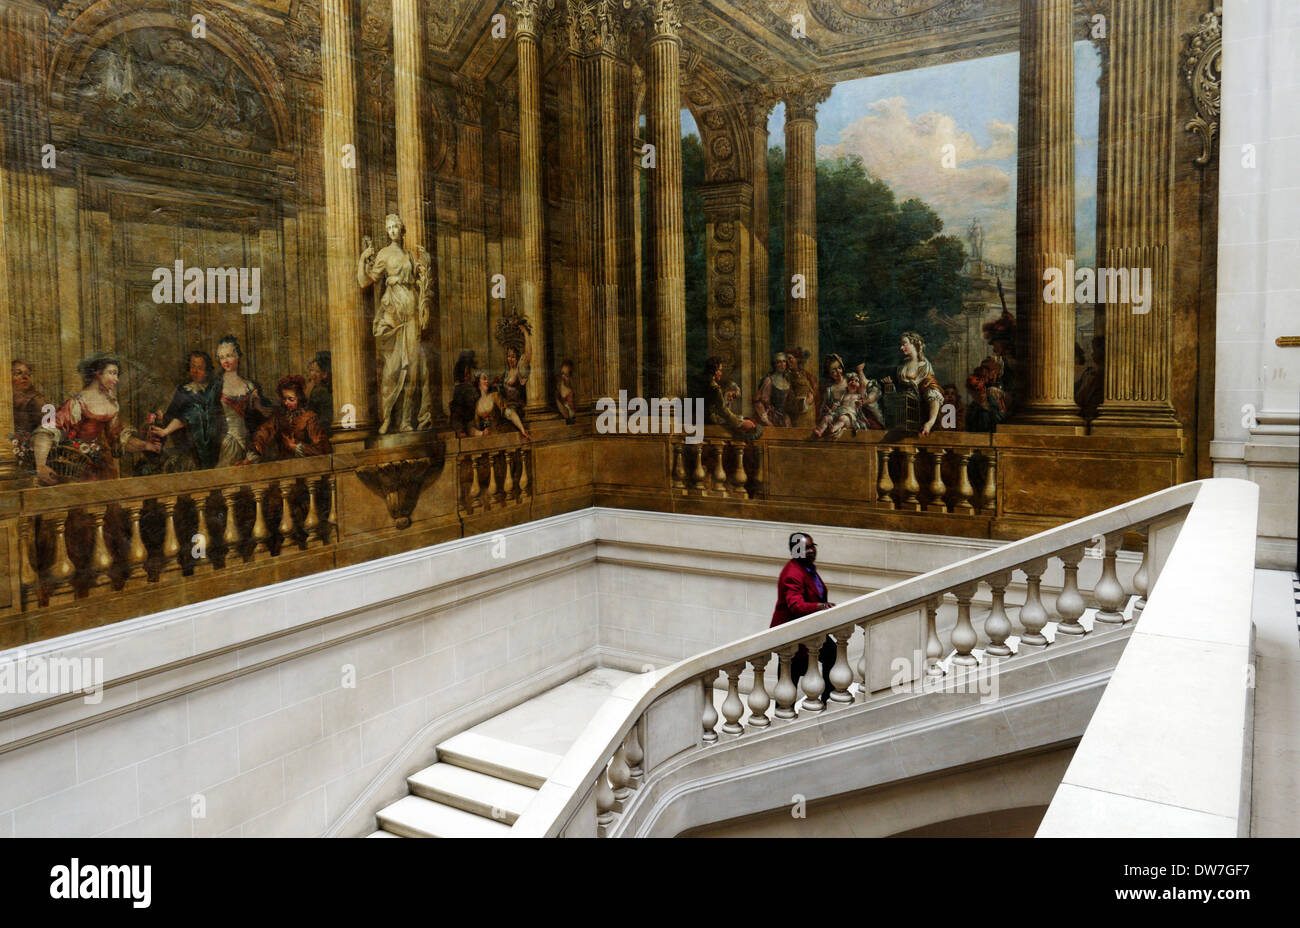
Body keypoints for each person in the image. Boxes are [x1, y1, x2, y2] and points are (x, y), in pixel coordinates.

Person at [31, 355, 161, 484]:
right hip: (77, 466)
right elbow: (46, 431)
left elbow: (118, 438)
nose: (116, 379)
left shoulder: (112, 404)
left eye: (117, 375)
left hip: (104, 466)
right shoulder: (77, 403)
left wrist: (146, 445)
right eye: (112, 373)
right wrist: (41, 465)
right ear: (98, 374)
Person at [769, 532, 837, 705]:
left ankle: (828, 698)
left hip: (809, 633)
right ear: (795, 551)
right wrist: (820, 607)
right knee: (788, 682)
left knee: (832, 654)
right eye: (805, 548)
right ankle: (783, 716)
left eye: (812, 546)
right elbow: (796, 605)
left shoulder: (807, 569)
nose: (811, 551)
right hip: (794, 638)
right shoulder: (793, 573)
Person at [149, 350, 221, 471]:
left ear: (207, 371)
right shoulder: (183, 389)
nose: (195, 371)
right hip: (184, 439)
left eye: (200, 368)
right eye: (193, 367)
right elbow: (172, 412)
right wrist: (163, 416)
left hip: (205, 437)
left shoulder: (212, 390)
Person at [214, 334, 272, 467]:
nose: (225, 361)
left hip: (247, 440)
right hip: (227, 441)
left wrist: (258, 406)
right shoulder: (217, 386)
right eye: (222, 357)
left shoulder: (250, 386)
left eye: (229, 355)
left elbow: (264, 416)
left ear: (238, 356)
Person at [245, 375, 332, 462]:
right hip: (284, 463)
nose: (286, 403)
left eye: (291, 399)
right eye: (284, 399)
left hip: (306, 464)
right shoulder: (279, 415)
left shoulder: (310, 417)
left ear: (300, 398)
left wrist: (297, 447)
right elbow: (266, 430)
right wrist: (257, 445)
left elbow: (323, 448)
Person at [704, 356, 761, 438]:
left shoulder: (707, 384)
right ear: (714, 371)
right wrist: (740, 422)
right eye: (720, 370)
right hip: (711, 423)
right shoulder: (715, 388)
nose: (721, 373)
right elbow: (722, 411)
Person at [753, 352, 791, 427]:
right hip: (771, 417)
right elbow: (758, 402)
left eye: (784, 361)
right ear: (774, 364)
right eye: (779, 362)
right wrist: (766, 420)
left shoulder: (788, 381)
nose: (782, 364)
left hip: (784, 418)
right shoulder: (769, 380)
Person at [449, 351, 479, 437]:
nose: (469, 376)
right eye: (466, 375)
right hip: (466, 420)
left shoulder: (469, 386)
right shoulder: (462, 388)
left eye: (468, 374)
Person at [306, 350, 333, 426]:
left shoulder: (320, 391)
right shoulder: (315, 389)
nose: (312, 375)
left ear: (325, 374)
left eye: (317, 371)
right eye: (311, 370)